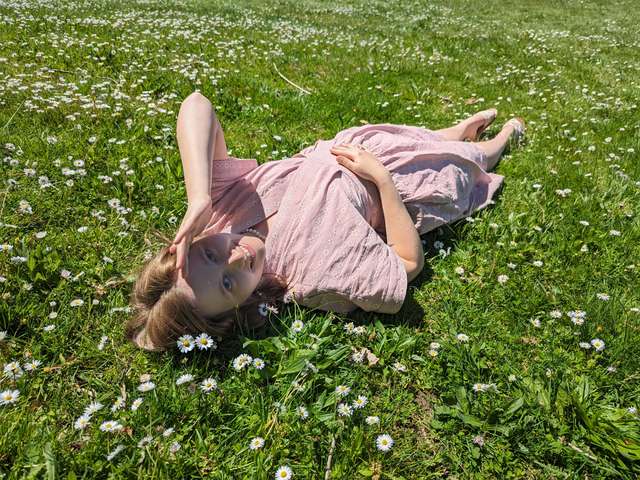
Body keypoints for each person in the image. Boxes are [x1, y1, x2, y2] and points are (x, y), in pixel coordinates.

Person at [126, 91, 525, 351]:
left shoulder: (222, 208)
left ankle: (456, 130)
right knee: (479, 158)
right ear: (238, 309)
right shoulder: (310, 275)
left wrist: (198, 196)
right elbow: (407, 264)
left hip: (366, 144)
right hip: (409, 182)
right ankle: (504, 136)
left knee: (424, 136)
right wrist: (381, 180)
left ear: (194, 241)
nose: (236, 258)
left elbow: (197, 104)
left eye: (211, 255)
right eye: (228, 284)